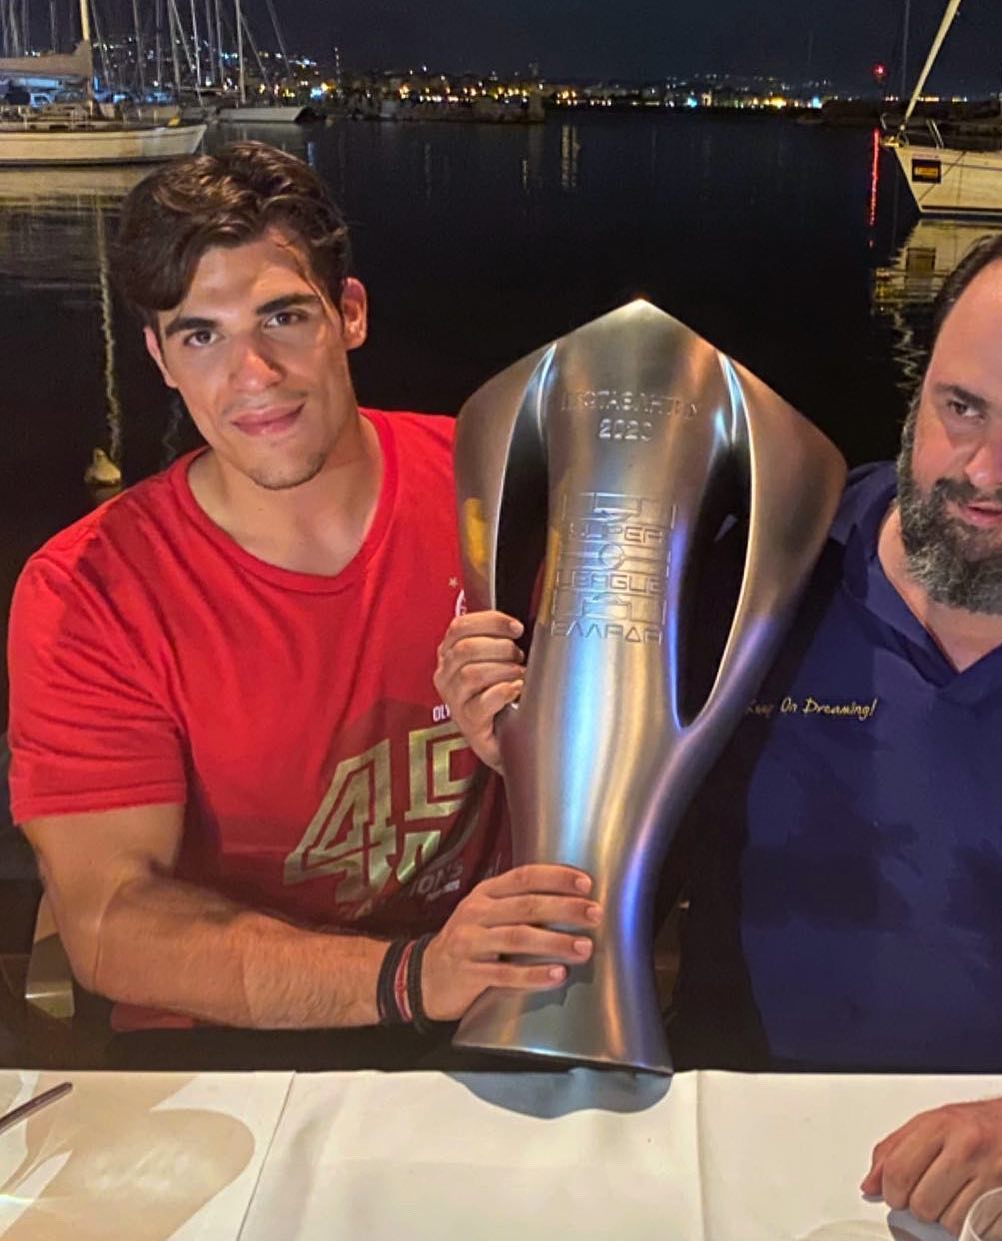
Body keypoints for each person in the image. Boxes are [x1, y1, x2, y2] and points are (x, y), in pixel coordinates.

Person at [435, 222, 1002, 1231]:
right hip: (739, 1147)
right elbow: (623, 873)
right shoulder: (762, 563)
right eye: (958, 406)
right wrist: (534, 748)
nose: (982, 467)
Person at [6, 141, 598, 1059]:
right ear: (159, 356)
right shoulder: (91, 590)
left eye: (282, 317)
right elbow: (111, 919)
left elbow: (629, 768)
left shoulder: (502, 494)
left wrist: (529, 753)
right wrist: (412, 976)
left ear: (348, 313)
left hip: (491, 1004)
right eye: (201, 335)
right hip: (224, 1040)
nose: (253, 374)